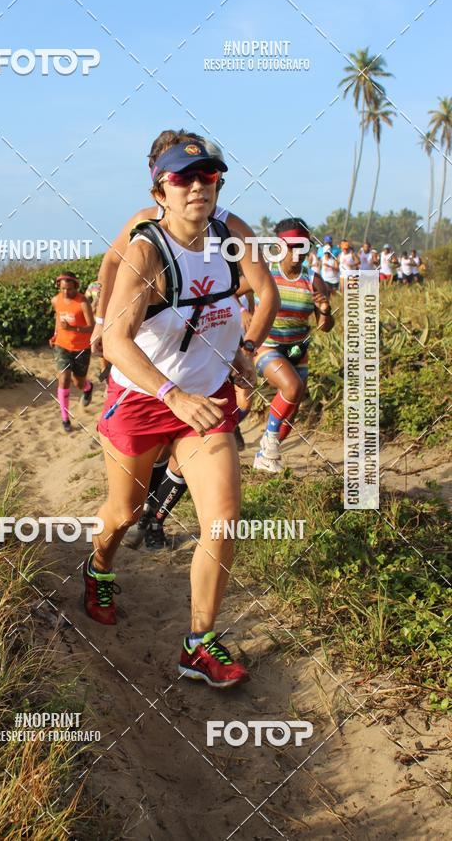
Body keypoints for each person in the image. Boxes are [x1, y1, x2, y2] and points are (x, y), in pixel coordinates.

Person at [83, 135, 279, 689]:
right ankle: (99, 567)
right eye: (182, 178)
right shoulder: (146, 248)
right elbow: (117, 342)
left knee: (222, 519)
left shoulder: (228, 237)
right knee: (124, 512)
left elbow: (246, 303)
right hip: (144, 402)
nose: (197, 186)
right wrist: (170, 393)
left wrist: (242, 355)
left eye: (209, 176)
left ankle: (198, 644)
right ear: (159, 189)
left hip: (205, 402)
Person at [251, 218, 334, 473]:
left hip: (298, 352)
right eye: (292, 246)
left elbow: (324, 327)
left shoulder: (314, 279)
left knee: (289, 415)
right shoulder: (266, 272)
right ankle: (267, 447)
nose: (298, 253)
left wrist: (325, 310)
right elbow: (232, 291)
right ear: (280, 246)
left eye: (304, 247)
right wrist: (244, 315)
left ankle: (263, 456)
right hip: (267, 346)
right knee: (291, 386)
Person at [49, 272, 94, 432]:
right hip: (62, 345)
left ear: (76, 286)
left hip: (81, 348)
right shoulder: (56, 300)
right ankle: (65, 419)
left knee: (79, 383)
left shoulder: (82, 302)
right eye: (62, 289)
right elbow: (57, 318)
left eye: (69, 289)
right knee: (64, 379)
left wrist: (73, 328)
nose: (66, 292)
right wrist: (55, 334)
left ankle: (88, 387)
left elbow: (92, 326)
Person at [85, 280, 111, 381]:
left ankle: (107, 376)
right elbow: (85, 300)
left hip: (109, 318)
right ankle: (106, 377)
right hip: (99, 320)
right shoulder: (93, 286)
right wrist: (94, 303)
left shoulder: (113, 281)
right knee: (102, 348)